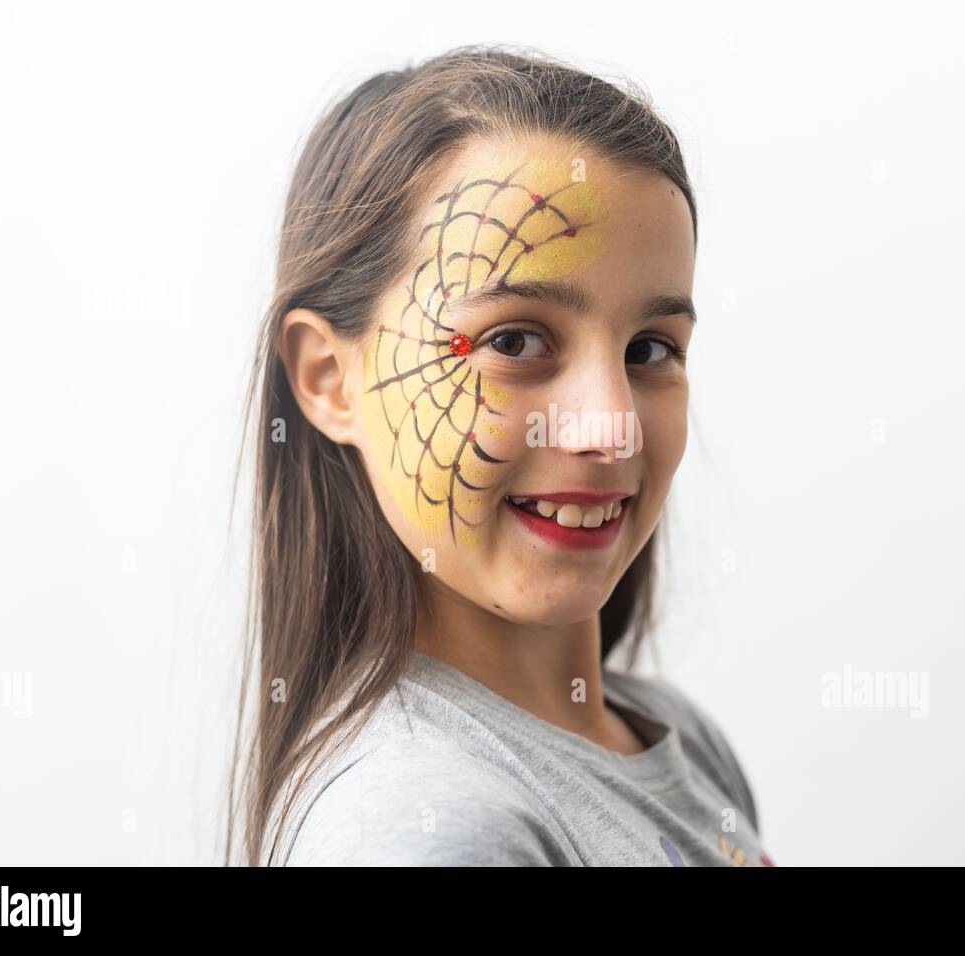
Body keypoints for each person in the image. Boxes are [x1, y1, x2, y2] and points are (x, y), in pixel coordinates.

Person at [227, 44, 773, 867]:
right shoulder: (425, 825)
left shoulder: (683, 742)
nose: (610, 427)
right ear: (330, 378)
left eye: (651, 349)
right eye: (515, 340)